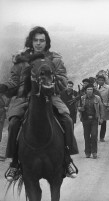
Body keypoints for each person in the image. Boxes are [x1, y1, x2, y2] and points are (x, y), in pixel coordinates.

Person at [0, 26, 79, 181]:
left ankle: (67, 159)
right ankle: (14, 164)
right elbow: (14, 81)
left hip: (51, 98)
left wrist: (50, 87)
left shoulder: (55, 59)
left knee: (67, 120)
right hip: (24, 98)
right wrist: (4, 87)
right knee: (14, 122)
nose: (38, 43)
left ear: (46, 42)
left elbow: (63, 80)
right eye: (35, 40)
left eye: (42, 40)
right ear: (31, 41)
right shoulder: (21, 59)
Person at [78, 84, 104, 159]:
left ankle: (94, 152)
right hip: (85, 119)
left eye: (91, 89)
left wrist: (101, 118)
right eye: (88, 89)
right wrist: (80, 109)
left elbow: (101, 108)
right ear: (85, 91)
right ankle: (87, 152)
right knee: (86, 136)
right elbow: (78, 108)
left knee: (94, 135)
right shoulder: (82, 98)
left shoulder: (97, 98)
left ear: (93, 90)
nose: (90, 91)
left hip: (94, 119)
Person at [96, 74, 109, 142]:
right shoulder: (94, 87)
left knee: (103, 122)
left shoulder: (108, 87)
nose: (100, 81)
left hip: (104, 107)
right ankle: (95, 136)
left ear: (104, 81)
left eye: (102, 80)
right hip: (95, 107)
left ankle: (102, 137)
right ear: (97, 80)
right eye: (99, 80)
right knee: (95, 122)